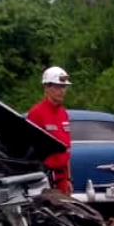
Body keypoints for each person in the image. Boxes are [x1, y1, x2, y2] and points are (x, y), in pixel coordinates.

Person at [26, 66, 73, 194]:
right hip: (45, 179)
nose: (62, 91)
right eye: (57, 87)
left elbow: (66, 149)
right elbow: (29, 150)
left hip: (62, 179)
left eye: (63, 87)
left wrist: (69, 179)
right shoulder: (36, 113)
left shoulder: (63, 113)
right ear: (46, 87)